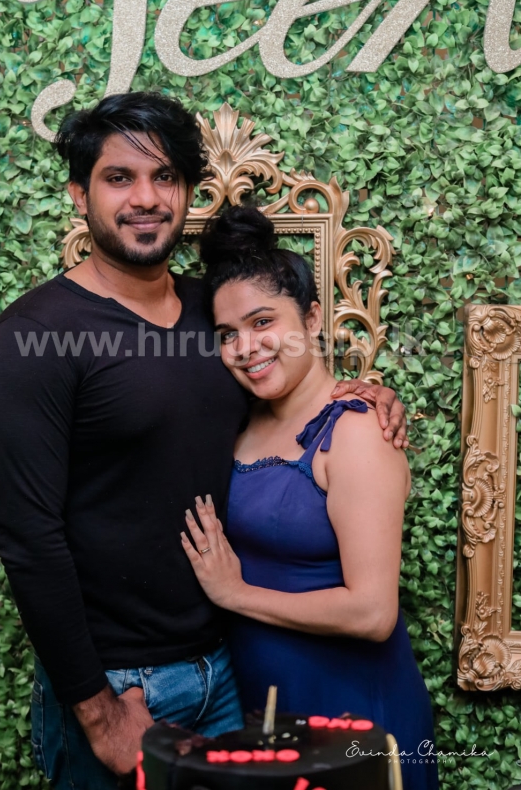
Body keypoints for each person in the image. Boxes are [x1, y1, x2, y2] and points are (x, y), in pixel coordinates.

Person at [0, 91, 408, 790]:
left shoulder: (217, 312)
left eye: (165, 177)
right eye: (119, 178)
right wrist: (99, 714)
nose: (146, 198)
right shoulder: (34, 338)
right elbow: (28, 539)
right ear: (80, 195)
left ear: (186, 192)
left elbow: (286, 386)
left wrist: (364, 395)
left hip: (232, 669)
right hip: (123, 689)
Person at [181, 206, 439, 790]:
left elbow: (373, 613)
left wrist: (235, 594)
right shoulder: (241, 421)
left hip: (352, 714)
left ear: (313, 317)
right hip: (265, 713)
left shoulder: (358, 430)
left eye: (262, 321)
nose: (246, 347)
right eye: (227, 334)